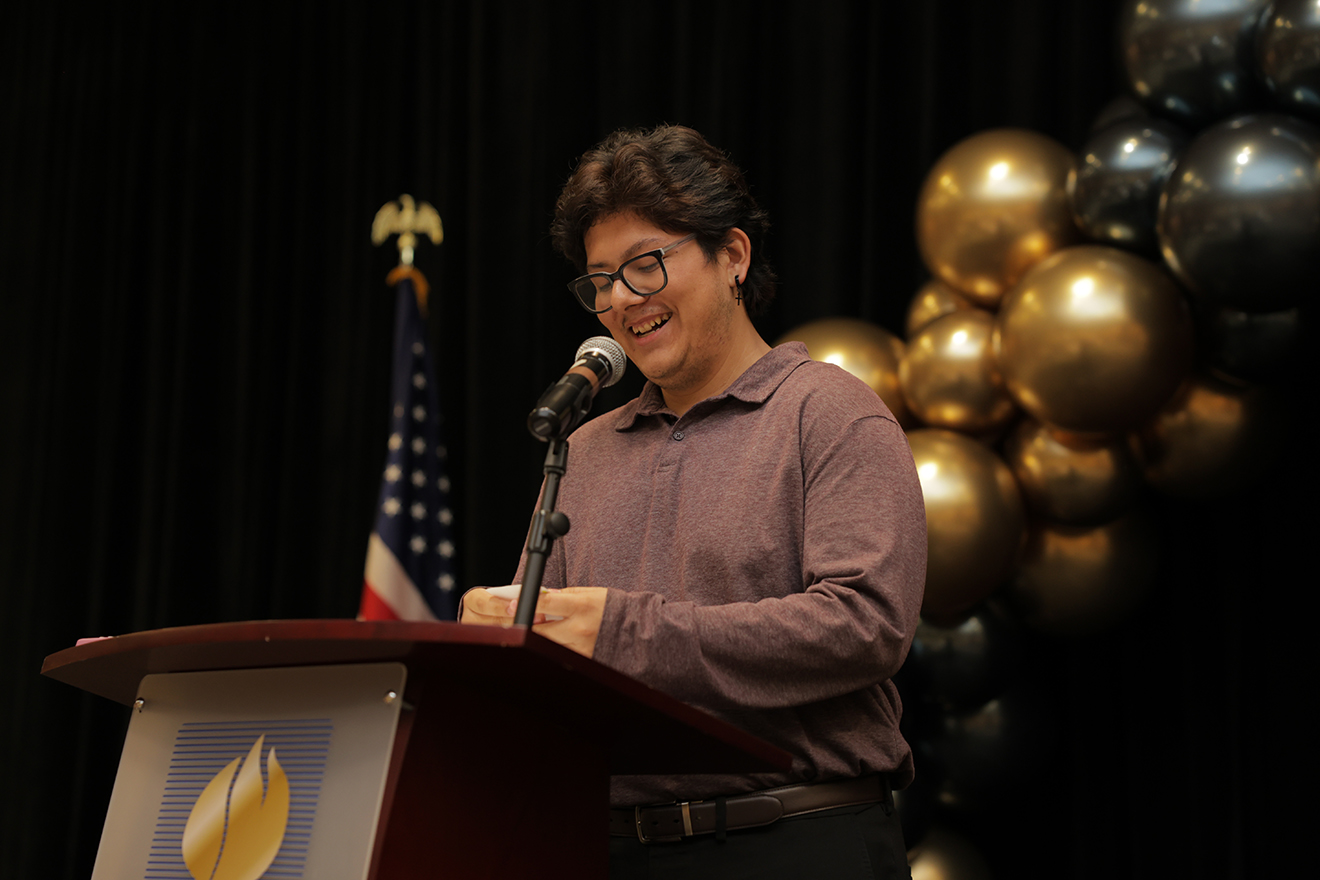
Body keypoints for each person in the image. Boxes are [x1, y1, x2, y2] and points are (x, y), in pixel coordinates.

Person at [460, 124, 926, 879]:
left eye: (644, 265)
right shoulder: (585, 447)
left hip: (797, 839)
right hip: (607, 850)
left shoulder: (828, 412)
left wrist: (625, 633)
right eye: (600, 280)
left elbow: (866, 626)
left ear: (732, 256)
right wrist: (496, 642)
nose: (620, 299)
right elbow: (551, 662)